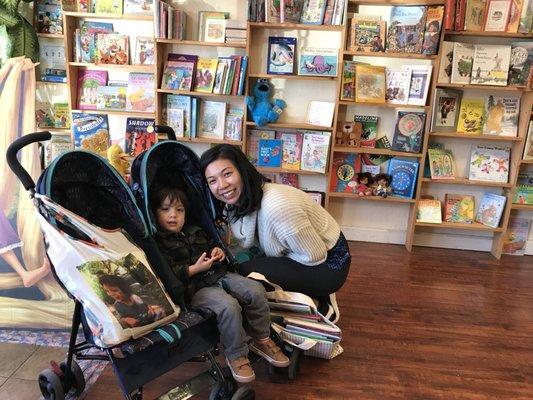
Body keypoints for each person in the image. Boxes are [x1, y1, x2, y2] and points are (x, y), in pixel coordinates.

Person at [151, 187, 289, 383]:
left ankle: (262, 339)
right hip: (195, 288)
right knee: (228, 306)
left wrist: (217, 251)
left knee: (256, 290)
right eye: (165, 210)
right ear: (155, 213)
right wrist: (193, 269)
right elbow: (168, 274)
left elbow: (211, 248)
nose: (173, 215)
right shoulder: (158, 243)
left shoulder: (195, 230)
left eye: (179, 210)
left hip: (218, 274)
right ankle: (236, 355)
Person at [200, 144, 351, 323]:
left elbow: (315, 256)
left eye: (227, 174)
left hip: (329, 264)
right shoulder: (241, 201)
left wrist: (273, 263)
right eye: (212, 180)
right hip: (311, 253)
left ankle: (320, 301)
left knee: (244, 273)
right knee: (245, 266)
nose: (222, 185)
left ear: (242, 170)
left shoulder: (277, 207)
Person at [98, 274, 165, 329]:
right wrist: (125, 321)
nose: (111, 294)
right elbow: (123, 322)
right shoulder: (118, 306)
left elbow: (152, 305)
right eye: (107, 291)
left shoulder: (136, 296)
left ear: (124, 288)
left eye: (115, 290)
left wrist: (153, 308)